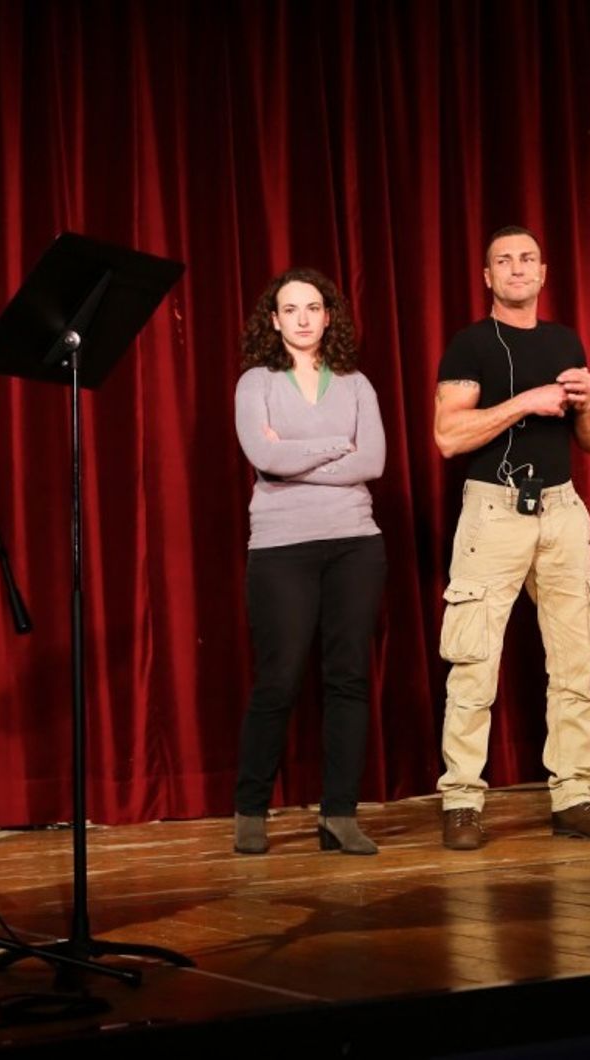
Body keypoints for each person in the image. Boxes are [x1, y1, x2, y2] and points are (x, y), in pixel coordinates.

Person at [431, 225, 590, 850]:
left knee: (574, 661)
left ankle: (574, 794)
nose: (517, 269)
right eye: (503, 261)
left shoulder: (564, 339)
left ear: (543, 273)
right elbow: (448, 437)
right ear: (487, 277)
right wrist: (524, 402)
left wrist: (587, 399)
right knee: (474, 662)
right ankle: (462, 799)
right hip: (494, 512)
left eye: (527, 260)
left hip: (564, 512)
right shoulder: (469, 345)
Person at [231, 267, 387, 856]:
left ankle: (339, 814)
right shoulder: (256, 383)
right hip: (280, 548)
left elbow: (372, 460)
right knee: (279, 678)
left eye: (313, 308)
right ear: (273, 320)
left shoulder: (356, 384)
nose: (302, 318)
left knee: (347, 678)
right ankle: (250, 810)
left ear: (328, 317)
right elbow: (262, 456)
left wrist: (294, 455)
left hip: (355, 543)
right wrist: (331, 445)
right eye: (290, 309)